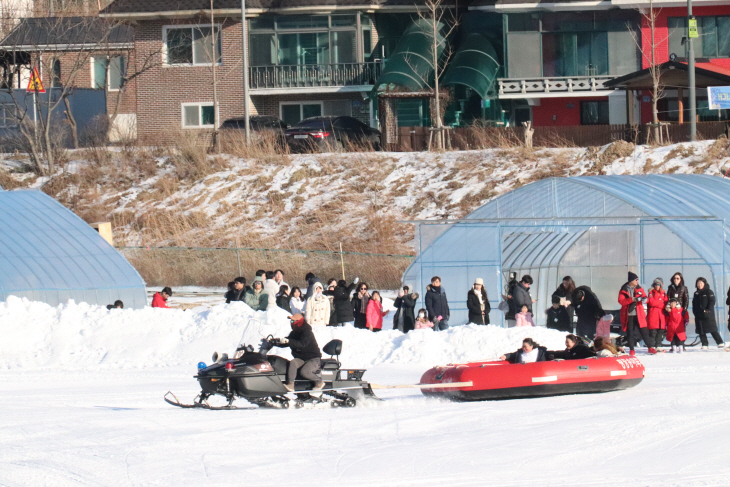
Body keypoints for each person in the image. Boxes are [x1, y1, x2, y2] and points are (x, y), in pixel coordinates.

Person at [274, 314, 324, 393]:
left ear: (299, 322)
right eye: (291, 321)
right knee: (293, 362)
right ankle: (291, 384)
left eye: (293, 321)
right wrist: (276, 342)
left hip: (313, 358)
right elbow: (288, 342)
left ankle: (319, 381)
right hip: (302, 359)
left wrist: (289, 341)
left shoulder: (307, 332)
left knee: (304, 372)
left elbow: (302, 344)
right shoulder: (294, 333)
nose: (291, 323)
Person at [618, 272, 654, 356]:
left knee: (644, 331)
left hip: (639, 314)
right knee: (630, 332)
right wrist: (632, 299)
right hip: (628, 314)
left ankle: (650, 347)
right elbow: (621, 301)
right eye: (636, 280)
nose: (637, 281)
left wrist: (645, 299)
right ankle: (631, 349)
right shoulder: (623, 290)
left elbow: (645, 297)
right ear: (631, 280)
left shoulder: (639, 288)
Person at [693, 277, 724, 349]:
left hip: (707, 315)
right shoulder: (696, 293)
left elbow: (712, 301)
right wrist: (695, 312)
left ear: (704, 283)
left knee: (712, 329)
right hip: (698, 314)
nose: (699, 284)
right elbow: (694, 303)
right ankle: (704, 344)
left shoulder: (709, 292)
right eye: (698, 283)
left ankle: (720, 342)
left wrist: (708, 310)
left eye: (701, 283)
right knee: (701, 330)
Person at [646, 278, 668, 349]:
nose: (657, 286)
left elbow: (665, 304)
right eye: (656, 284)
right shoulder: (651, 292)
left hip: (661, 315)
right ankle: (652, 346)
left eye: (658, 284)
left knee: (660, 331)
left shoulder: (664, 294)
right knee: (653, 332)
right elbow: (651, 302)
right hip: (653, 315)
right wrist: (660, 301)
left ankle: (658, 345)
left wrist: (658, 303)